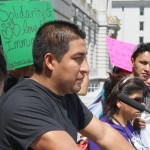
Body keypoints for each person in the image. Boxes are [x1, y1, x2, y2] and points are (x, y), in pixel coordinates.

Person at [0, 20, 135, 150]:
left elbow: (104, 134)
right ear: (50, 61)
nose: (86, 68)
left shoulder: (67, 95)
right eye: (78, 58)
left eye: (85, 58)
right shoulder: (23, 103)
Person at [88, 74, 149, 150]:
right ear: (119, 102)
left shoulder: (129, 125)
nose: (141, 105)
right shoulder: (101, 132)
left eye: (142, 100)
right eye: (137, 100)